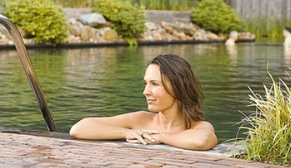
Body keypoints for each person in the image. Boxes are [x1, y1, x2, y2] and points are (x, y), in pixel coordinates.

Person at [70, 54, 217, 151]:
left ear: (178, 87)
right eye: (145, 83)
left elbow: (201, 141)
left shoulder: (198, 126)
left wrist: (158, 137)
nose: (146, 91)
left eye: (154, 84)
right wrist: (127, 133)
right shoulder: (140, 120)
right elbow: (79, 128)